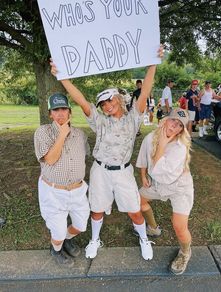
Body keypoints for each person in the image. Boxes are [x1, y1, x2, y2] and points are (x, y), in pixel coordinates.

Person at [50, 47, 163, 261]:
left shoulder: (133, 118)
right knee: (97, 209)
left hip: (123, 172)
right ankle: (95, 239)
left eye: (110, 101)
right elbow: (82, 101)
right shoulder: (100, 121)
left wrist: (152, 64)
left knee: (134, 210)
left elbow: (145, 92)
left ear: (118, 99)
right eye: (103, 104)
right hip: (100, 170)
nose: (107, 106)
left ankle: (143, 239)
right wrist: (63, 78)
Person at [34, 93, 90, 267]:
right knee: (56, 233)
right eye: (55, 110)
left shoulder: (80, 134)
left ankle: (66, 239)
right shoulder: (42, 132)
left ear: (69, 112)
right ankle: (56, 249)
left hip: (78, 191)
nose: (60, 114)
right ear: (50, 113)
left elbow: (85, 155)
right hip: (53, 192)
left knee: (80, 225)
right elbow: (50, 160)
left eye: (63, 109)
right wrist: (62, 134)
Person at [136, 108, 194, 275]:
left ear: (181, 130)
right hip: (157, 184)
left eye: (179, 126)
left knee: (179, 226)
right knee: (138, 202)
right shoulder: (149, 137)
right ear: (166, 120)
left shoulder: (180, 146)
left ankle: (185, 252)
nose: (174, 126)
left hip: (179, 188)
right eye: (172, 121)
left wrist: (161, 144)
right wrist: (142, 175)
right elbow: (143, 159)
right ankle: (153, 228)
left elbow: (157, 168)